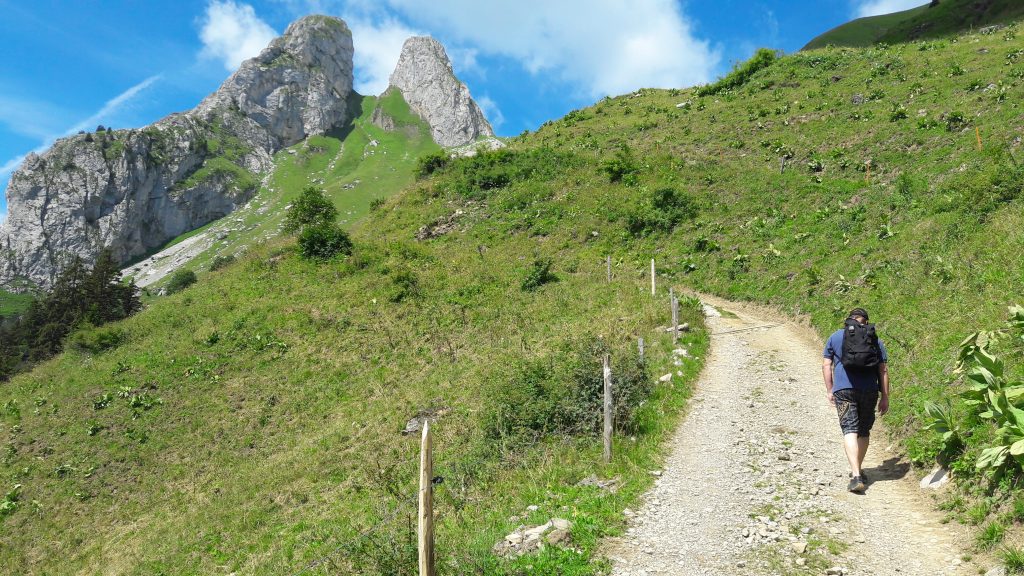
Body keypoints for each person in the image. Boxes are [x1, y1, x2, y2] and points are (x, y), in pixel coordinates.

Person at [822, 307, 890, 493]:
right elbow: (883, 370)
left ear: (849, 320)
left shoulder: (835, 336)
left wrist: (830, 389)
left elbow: (826, 365)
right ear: (866, 322)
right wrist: (884, 396)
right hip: (869, 390)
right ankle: (858, 470)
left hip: (843, 390)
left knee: (849, 430)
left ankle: (856, 475)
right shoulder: (874, 338)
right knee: (863, 431)